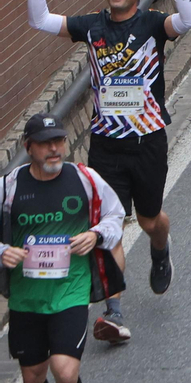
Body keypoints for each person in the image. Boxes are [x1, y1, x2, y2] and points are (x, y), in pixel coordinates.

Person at [25, 0, 191, 343]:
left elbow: (188, 21)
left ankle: (160, 249)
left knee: (151, 218)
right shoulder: (92, 26)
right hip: (105, 144)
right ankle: (114, 313)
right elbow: (40, 20)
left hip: (148, 140)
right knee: (111, 228)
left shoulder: (154, 24)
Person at [1, 113, 126, 383]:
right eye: (45, 143)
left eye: (58, 141)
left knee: (64, 370)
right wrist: (2, 252)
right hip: (26, 297)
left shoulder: (84, 178)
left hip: (71, 290)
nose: (54, 149)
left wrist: (95, 235)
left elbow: (115, 215)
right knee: (33, 376)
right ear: (28, 147)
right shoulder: (9, 187)